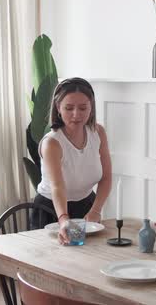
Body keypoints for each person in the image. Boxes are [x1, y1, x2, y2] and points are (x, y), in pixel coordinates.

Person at [31, 77, 112, 245]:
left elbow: (106, 177)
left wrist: (96, 210)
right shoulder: (52, 143)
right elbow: (57, 186)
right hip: (53, 210)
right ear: (58, 108)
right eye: (69, 108)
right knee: (56, 263)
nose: (77, 114)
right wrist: (63, 220)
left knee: (89, 259)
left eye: (83, 108)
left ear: (91, 107)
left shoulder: (98, 133)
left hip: (87, 207)